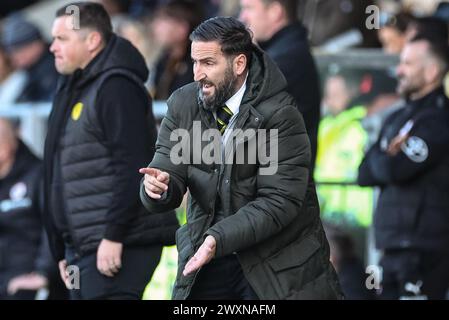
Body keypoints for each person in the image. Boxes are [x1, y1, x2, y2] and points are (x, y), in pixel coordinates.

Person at [140, 17, 343, 300]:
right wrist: (159, 187)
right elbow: (167, 166)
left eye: (208, 63)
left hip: (275, 261)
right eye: (195, 62)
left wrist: (218, 237)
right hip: (208, 253)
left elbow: (278, 201)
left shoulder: (280, 115)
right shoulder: (183, 103)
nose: (197, 74)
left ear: (239, 64)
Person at [43, 2, 179, 300]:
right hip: (81, 247)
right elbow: (58, 171)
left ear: (92, 41)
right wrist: (60, 247)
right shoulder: (75, 86)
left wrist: (113, 235)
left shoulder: (115, 87)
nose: (52, 47)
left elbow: (132, 166)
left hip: (116, 244)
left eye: (62, 39)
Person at [358, 35, 449, 300]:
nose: (399, 70)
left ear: (432, 71)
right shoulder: (397, 118)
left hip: (424, 251)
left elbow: (394, 170)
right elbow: (363, 174)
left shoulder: (439, 120)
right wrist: (385, 155)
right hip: (391, 249)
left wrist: (383, 155)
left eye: (408, 64)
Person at [239, 0, 321, 170]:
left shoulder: (285, 59)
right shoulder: (282, 53)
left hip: (278, 183)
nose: (243, 17)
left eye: (249, 8)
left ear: (275, 11)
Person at [0, 118, 64, 300]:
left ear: (5, 149)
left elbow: (53, 226)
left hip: (27, 278)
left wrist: (42, 273)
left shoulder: (38, 176)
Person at [149, 0, 202, 100]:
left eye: (162, 20)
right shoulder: (163, 60)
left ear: (182, 29)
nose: (155, 26)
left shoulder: (198, 64)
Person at [0, 14, 59, 103]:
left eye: (18, 50)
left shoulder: (56, 62)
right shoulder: (29, 70)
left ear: (35, 44)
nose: (13, 57)